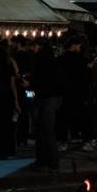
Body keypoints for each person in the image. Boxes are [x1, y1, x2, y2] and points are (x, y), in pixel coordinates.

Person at [31, 38, 62, 170]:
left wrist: (30, 83)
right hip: (53, 97)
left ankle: (47, 160)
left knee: (44, 129)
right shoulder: (53, 60)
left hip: (45, 97)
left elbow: (39, 79)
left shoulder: (41, 60)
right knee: (47, 129)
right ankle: (50, 160)